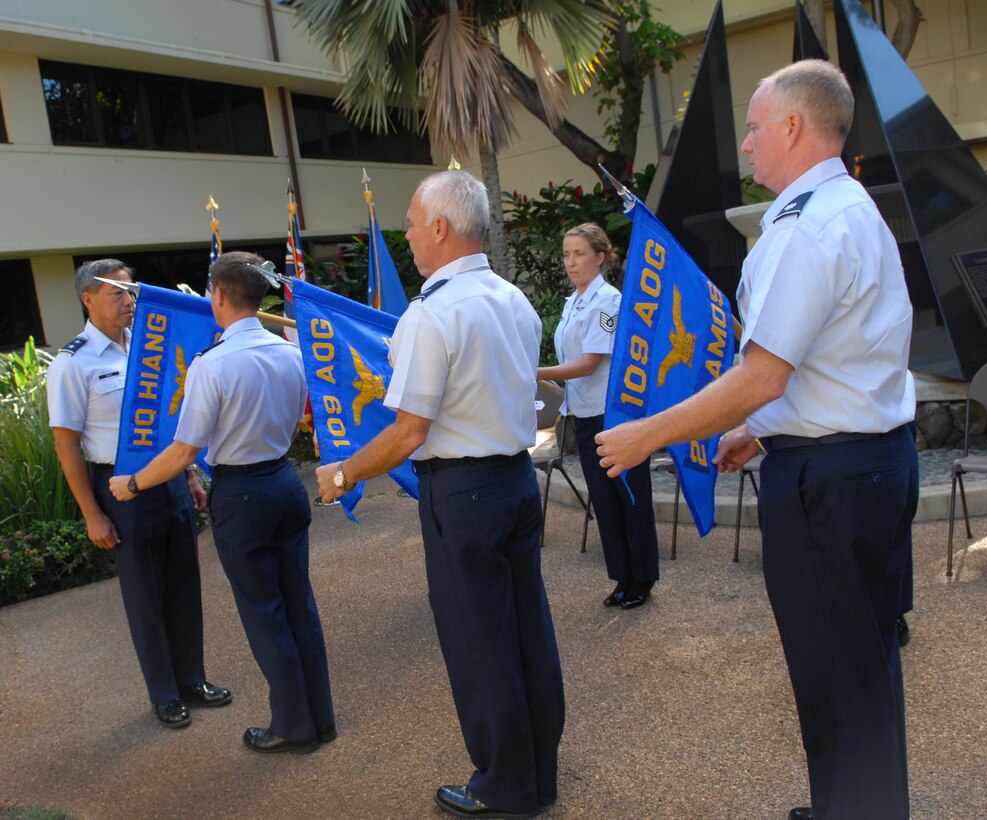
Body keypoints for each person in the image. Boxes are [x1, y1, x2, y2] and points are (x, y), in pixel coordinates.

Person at [594, 60, 918, 819]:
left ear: (794, 128)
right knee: (860, 661)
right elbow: (832, 365)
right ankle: (854, 803)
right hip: (866, 463)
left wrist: (648, 433)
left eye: (753, 127)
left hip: (829, 485)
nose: (745, 145)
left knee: (834, 667)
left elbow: (761, 375)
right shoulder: (850, 208)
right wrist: (759, 433)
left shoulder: (806, 229)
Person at [315, 170, 565, 818]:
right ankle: (538, 774)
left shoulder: (433, 314)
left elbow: (408, 432)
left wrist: (343, 474)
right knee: (526, 630)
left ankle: (502, 787)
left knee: (479, 640)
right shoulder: (516, 301)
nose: (406, 234)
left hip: (464, 493)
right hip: (514, 480)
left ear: (439, 227)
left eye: (409, 221)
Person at [109, 252, 334, 755]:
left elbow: (184, 450)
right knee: (299, 605)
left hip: (244, 493)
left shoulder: (212, 365)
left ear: (216, 296)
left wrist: (133, 484)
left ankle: (293, 726)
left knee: (265, 612)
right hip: (284, 483)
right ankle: (320, 718)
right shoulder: (290, 353)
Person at [46, 259, 231, 730]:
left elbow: (169, 418)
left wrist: (189, 476)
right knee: (146, 594)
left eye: (132, 293)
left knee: (185, 585)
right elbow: (66, 446)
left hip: (167, 478)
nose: (130, 302)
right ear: (88, 299)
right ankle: (165, 693)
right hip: (119, 490)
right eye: (119, 294)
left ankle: (193, 678)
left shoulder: (148, 347)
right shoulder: (73, 362)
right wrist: (92, 514)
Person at [537, 223, 659, 609]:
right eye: (566, 254)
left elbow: (589, 364)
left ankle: (643, 577)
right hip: (584, 414)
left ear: (600, 257)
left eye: (579, 254)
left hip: (614, 412)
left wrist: (534, 372)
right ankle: (622, 577)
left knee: (629, 495)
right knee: (604, 500)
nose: (570, 262)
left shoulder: (609, 300)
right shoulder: (573, 301)